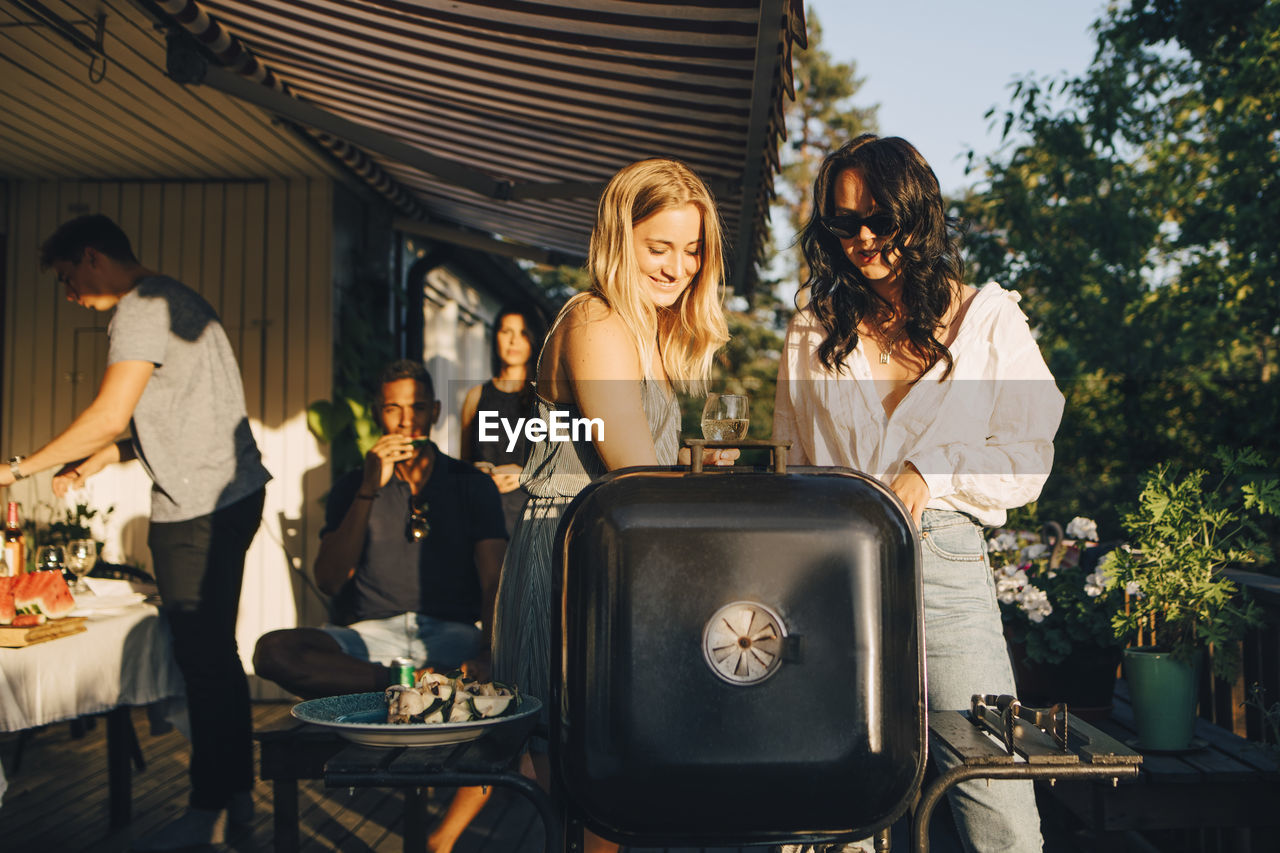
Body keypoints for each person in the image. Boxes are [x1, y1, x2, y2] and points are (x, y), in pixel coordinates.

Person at [773, 135, 1064, 853]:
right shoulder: (814, 329)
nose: (863, 238)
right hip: (834, 570)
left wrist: (929, 471)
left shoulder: (991, 321)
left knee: (994, 800)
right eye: (844, 223)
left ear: (917, 211)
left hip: (945, 564)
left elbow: (1028, 458)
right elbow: (792, 459)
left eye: (879, 217)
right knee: (837, 803)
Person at [0, 214, 272, 850]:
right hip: (232, 497)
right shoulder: (178, 298)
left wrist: (16, 470)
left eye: (68, 278)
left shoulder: (140, 308)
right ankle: (236, 802)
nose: (70, 295)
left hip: (198, 511)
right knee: (216, 663)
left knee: (204, 666)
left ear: (93, 258)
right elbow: (174, 414)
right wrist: (104, 456)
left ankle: (209, 812)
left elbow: (107, 413)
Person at [491, 158, 735, 853]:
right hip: (574, 557)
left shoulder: (646, 329)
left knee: (607, 776)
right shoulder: (596, 320)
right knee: (600, 773)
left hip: (612, 556)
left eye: (691, 251)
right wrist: (697, 475)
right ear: (617, 239)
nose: (677, 267)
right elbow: (634, 471)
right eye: (659, 247)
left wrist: (694, 464)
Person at [253, 359, 507, 853]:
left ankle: (432, 688)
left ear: (434, 412)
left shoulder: (469, 483)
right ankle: (410, 686)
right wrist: (370, 485)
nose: (405, 421)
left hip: (449, 634)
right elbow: (328, 580)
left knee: (510, 684)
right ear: (378, 414)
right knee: (272, 651)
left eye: (416, 408)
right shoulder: (355, 484)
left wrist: (490, 647)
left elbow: (493, 578)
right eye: (393, 408)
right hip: (369, 640)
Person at [459, 305, 547, 534]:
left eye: (522, 333)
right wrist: (478, 473)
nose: (513, 341)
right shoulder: (476, 396)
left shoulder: (547, 398)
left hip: (529, 515)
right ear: (495, 335)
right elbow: (463, 464)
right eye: (506, 332)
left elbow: (562, 465)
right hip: (481, 516)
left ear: (534, 339)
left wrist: (524, 474)